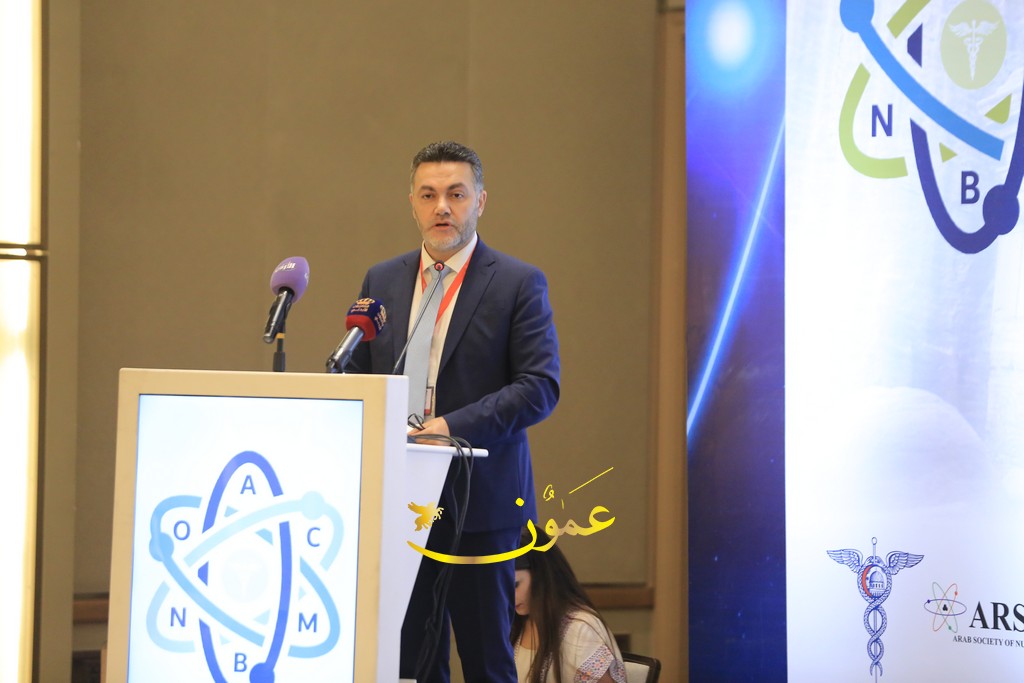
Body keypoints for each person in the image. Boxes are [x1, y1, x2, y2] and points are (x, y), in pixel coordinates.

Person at [347, 140, 560, 682]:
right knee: (411, 663)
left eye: (456, 194)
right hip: (400, 503)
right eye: (429, 195)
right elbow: (359, 374)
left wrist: (449, 427)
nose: (442, 207)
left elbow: (539, 387)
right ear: (412, 204)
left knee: (487, 662)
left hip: (480, 504)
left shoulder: (516, 282)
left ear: (480, 201)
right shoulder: (382, 280)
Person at [511, 528, 627, 683]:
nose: (508, 597)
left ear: (542, 576)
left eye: (515, 585)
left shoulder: (579, 629)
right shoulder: (513, 623)